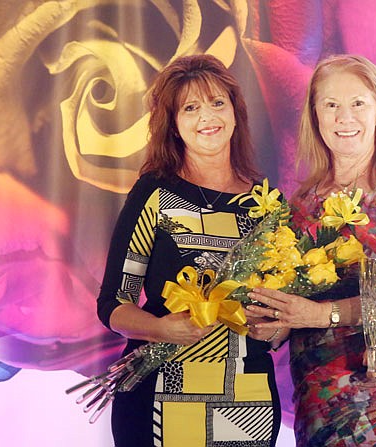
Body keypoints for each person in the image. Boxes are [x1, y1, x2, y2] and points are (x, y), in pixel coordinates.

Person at [245, 54, 376, 446]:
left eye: (358, 104)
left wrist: (319, 314)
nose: (345, 117)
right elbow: (295, 298)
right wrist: (274, 321)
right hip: (314, 390)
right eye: (331, 105)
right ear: (315, 115)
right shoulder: (300, 201)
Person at [96, 54, 282, 447]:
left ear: (235, 112)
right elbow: (113, 304)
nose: (207, 117)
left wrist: (279, 325)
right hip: (157, 394)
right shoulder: (155, 193)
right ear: (174, 125)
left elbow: (280, 300)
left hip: (246, 397)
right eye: (191, 107)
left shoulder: (265, 201)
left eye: (218, 102)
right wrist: (162, 328)